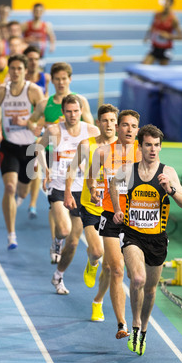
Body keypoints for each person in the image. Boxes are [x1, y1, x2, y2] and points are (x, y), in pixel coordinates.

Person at [110, 124, 182, 356]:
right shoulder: (129, 170)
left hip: (157, 239)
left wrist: (171, 189)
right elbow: (113, 184)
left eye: (156, 145)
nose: (153, 149)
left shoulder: (168, 173)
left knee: (151, 289)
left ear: (160, 147)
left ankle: (144, 329)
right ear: (141, 146)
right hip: (133, 235)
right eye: (148, 145)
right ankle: (134, 324)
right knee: (137, 278)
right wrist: (117, 209)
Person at [28, 62, 94, 257]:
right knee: (55, 205)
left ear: (70, 79)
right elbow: (33, 121)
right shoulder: (45, 103)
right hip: (52, 154)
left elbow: (90, 127)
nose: (61, 82)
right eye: (57, 79)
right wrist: (36, 128)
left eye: (64, 78)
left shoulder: (80, 101)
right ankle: (56, 241)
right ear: (52, 80)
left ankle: (61, 239)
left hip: (76, 155)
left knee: (73, 219)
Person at [37, 94, 100, 294]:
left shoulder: (91, 131)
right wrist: (44, 169)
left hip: (82, 191)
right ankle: (56, 242)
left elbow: (102, 154)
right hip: (58, 185)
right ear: (62, 113)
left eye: (76, 111)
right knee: (64, 231)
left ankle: (58, 276)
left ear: (81, 111)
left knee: (73, 242)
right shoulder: (55, 130)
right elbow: (38, 146)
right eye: (68, 111)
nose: (72, 115)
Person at [88, 110, 141, 339]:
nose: (129, 129)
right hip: (110, 215)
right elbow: (91, 175)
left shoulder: (143, 151)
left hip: (135, 218)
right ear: (117, 128)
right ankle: (122, 324)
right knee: (115, 269)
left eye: (134, 126)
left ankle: (136, 319)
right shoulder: (103, 152)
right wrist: (92, 189)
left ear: (138, 130)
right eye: (125, 125)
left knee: (134, 274)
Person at [64, 104, 119, 322]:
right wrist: (68, 192)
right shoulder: (87, 145)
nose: (108, 124)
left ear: (117, 123)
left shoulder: (124, 148)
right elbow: (72, 168)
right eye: (104, 120)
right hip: (90, 206)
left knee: (110, 265)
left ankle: (98, 301)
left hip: (113, 210)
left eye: (112, 121)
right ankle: (91, 263)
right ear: (98, 123)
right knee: (96, 252)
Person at [0, 54, 45, 249]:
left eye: (19, 69)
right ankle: (11, 234)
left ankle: (22, 198)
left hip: (30, 147)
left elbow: (43, 118)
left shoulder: (34, 91)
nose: (15, 72)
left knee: (23, 189)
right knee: (9, 188)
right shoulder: (1, 91)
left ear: (25, 71)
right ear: (8, 70)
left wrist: (27, 123)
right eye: (12, 68)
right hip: (9, 146)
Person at [24, 45, 51, 219]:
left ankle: (32, 204)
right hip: (21, 127)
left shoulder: (44, 78)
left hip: (37, 126)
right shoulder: (19, 78)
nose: (33, 62)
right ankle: (23, 192)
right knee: (24, 169)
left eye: (36, 59)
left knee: (35, 165)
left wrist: (40, 124)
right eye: (30, 59)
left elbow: (45, 104)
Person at [142, 0, 182, 65]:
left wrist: (168, 36)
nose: (165, 5)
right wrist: (147, 37)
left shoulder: (174, 19)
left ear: (171, 5)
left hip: (165, 49)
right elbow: (152, 27)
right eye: (165, 3)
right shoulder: (157, 15)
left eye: (168, 3)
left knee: (163, 71)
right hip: (155, 47)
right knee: (144, 66)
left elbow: (181, 37)